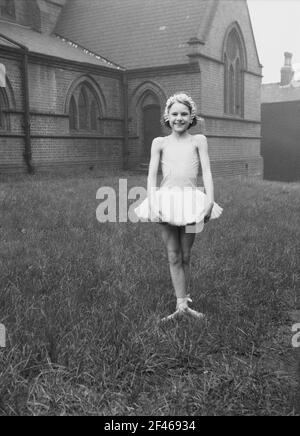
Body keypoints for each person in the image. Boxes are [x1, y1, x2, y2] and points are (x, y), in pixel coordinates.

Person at [135, 93, 223, 321]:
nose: (179, 118)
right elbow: (151, 175)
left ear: (191, 116)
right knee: (173, 254)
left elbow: (208, 172)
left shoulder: (199, 140)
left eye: (184, 114)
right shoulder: (159, 143)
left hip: (192, 201)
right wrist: (153, 203)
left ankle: (186, 300)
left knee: (185, 254)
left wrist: (210, 200)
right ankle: (179, 304)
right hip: (166, 201)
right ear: (167, 116)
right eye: (174, 114)